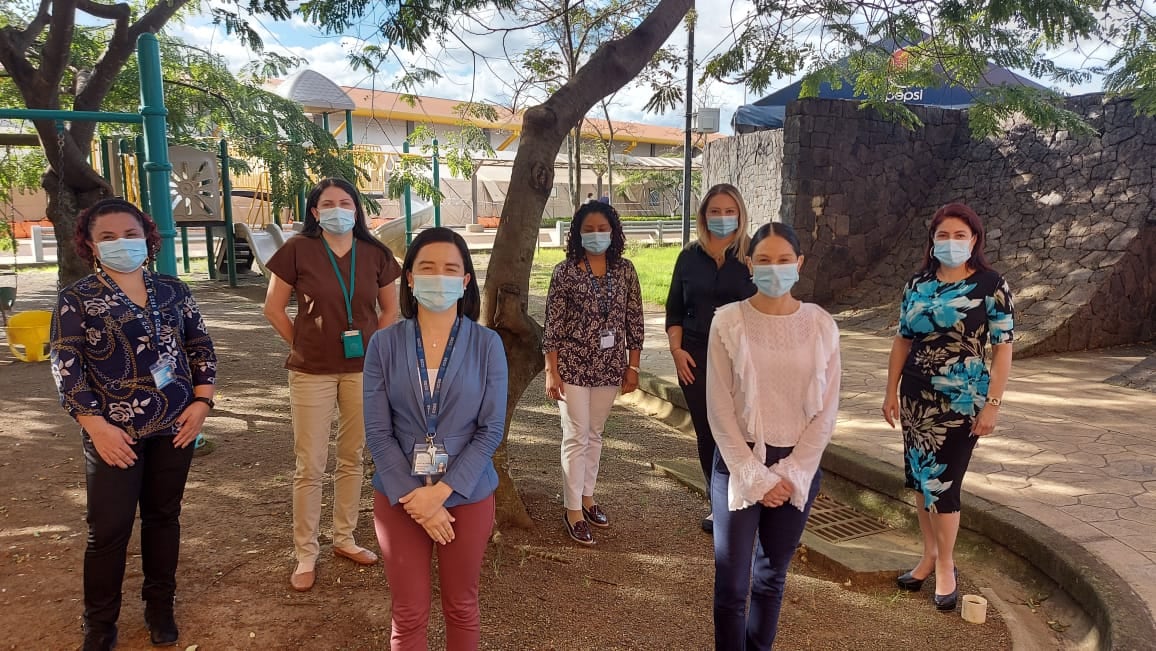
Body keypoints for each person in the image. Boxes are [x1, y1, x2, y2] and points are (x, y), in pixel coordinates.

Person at [50, 199, 217, 650]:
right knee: (108, 529)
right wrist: (96, 426)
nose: (121, 243)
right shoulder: (77, 298)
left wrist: (202, 402)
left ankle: (159, 607)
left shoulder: (173, 290)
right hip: (114, 434)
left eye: (130, 233)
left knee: (164, 517)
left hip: (176, 425)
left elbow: (200, 347)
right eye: (107, 237)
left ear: (147, 236)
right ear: (90, 244)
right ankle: (99, 624)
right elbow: (67, 365)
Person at [363, 227, 508, 650]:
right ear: (409, 277)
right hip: (398, 494)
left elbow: (490, 430)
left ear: (465, 281)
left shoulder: (487, 344)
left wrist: (440, 493)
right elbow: (377, 430)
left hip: (468, 492)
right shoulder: (384, 345)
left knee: (462, 606)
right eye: (427, 267)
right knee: (407, 615)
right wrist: (415, 497)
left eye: (450, 269)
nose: (438, 277)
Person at [263, 178, 401, 591]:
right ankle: (306, 552)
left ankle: (345, 537)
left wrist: (374, 351)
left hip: (363, 371)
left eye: (346, 202)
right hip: (311, 372)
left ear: (357, 210)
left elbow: (390, 309)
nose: (338, 209)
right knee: (310, 464)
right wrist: (305, 343)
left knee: (353, 456)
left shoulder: (375, 253)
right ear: (314, 211)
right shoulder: (297, 250)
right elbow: (273, 309)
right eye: (328, 203)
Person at [707, 222, 841, 650]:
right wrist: (755, 477)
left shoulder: (821, 326)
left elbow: (827, 410)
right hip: (738, 461)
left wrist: (792, 471)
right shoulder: (728, 322)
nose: (774, 268)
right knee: (731, 586)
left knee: (771, 577)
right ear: (749, 264)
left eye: (784, 260)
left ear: (799, 264)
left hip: (797, 466)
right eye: (763, 260)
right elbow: (719, 407)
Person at [882, 202, 1014, 611]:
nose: (951, 242)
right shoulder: (917, 284)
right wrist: (890, 392)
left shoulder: (991, 285)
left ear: (974, 240)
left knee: (944, 486)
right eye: (943, 235)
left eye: (960, 235)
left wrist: (992, 404)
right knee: (922, 483)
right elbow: (903, 339)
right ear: (932, 240)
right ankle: (927, 556)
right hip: (916, 398)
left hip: (962, 402)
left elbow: (1003, 349)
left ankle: (946, 565)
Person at [543, 201, 644, 545]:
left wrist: (633, 367)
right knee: (576, 433)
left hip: (609, 366)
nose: (596, 234)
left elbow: (634, 320)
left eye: (603, 228)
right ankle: (572, 510)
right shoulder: (565, 271)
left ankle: (588, 498)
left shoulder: (626, 271)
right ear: (577, 233)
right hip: (571, 365)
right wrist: (550, 371)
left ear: (614, 232)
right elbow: (553, 325)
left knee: (595, 433)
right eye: (589, 229)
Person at [665, 183, 757, 534]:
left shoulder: (753, 254)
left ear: (740, 213)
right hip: (696, 359)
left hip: (742, 361)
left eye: (728, 210)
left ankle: (744, 497)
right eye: (714, 211)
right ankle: (718, 501)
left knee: (740, 431)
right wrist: (676, 352)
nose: (721, 218)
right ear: (704, 216)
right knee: (708, 432)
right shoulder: (688, 256)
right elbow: (674, 310)